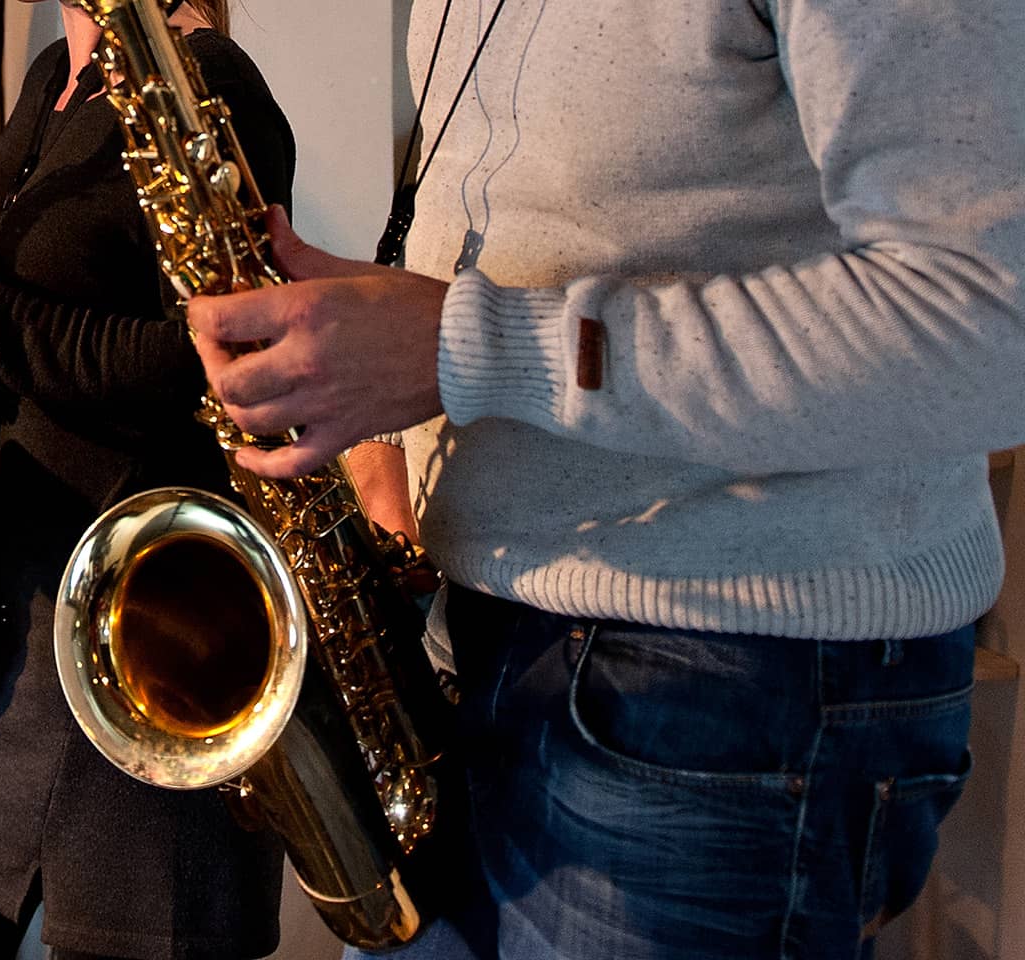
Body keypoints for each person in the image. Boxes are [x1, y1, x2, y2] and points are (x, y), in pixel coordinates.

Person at [183, 0, 1025, 955]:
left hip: (726, 685)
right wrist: (387, 395)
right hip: (485, 640)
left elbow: (996, 319)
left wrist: (466, 348)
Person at [0, 1, 298, 957]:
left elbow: (222, 366)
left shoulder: (209, 82)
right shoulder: (51, 71)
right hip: (19, 605)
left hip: (145, 625)